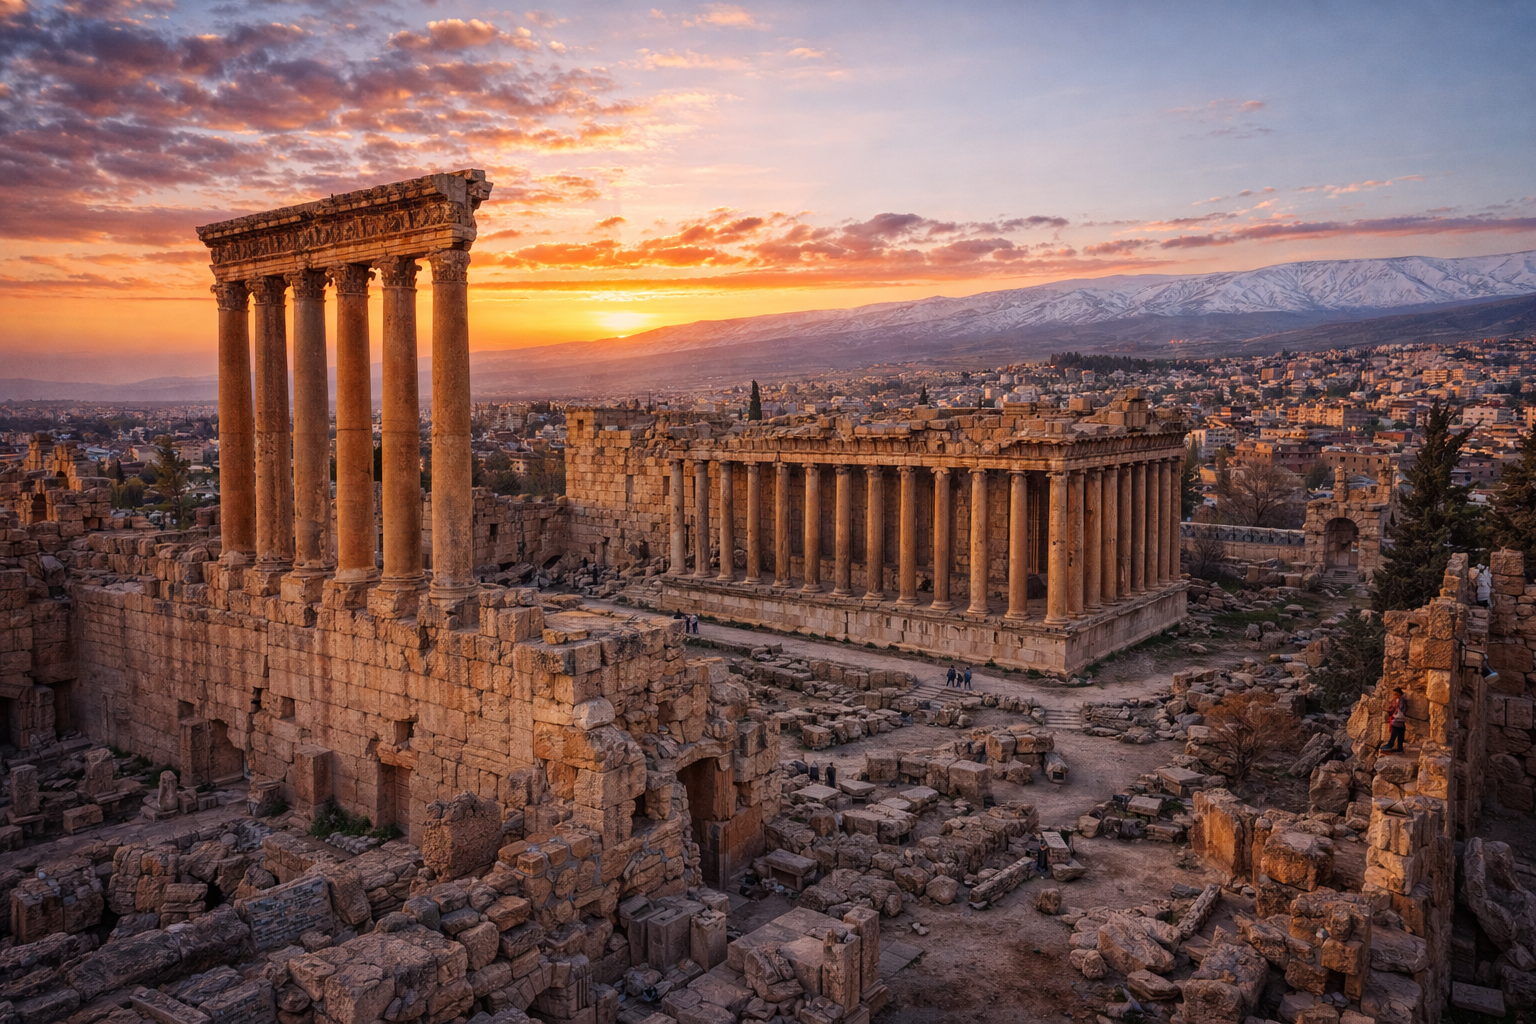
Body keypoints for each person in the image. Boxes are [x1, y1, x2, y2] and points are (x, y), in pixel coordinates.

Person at [1380, 687, 1407, 752]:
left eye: (1395, 694)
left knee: (1394, 729)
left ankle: (1390, 744)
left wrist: (1394, 714)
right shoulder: (1400, 700)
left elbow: (1400, 710)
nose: (1393, 696)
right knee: (1400, 732)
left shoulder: (1400, 701)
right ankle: (1399, 747)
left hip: (1399, 718)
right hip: (1402, 720)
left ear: (1398, 694)